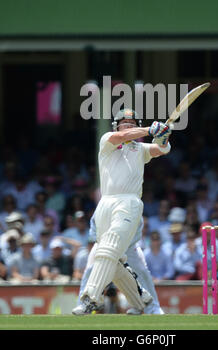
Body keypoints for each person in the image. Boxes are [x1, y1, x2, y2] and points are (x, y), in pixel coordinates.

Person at [77, 108, 171, 314]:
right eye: (124, 123)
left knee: (108, 249)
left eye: (132, 123)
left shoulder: (140, 149)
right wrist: (149, 128)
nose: (127, 126)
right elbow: (122, 136)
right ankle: (142, 303)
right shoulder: (108, 140)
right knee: (115, 261)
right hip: (106, 204)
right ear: (116, 125)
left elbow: (160, 150)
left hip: (129, 202)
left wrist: (163, 136)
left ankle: (90, 298)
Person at [72, 213, 164, 315]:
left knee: (141, 271)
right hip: (103, 244)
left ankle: (152, 308)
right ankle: (84, 305)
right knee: (90, 270)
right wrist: (103, 242)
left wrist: (121, 247)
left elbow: (138, 226)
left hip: (128, 246)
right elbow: (94, 225)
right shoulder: (106, 202)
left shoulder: (133, 203)